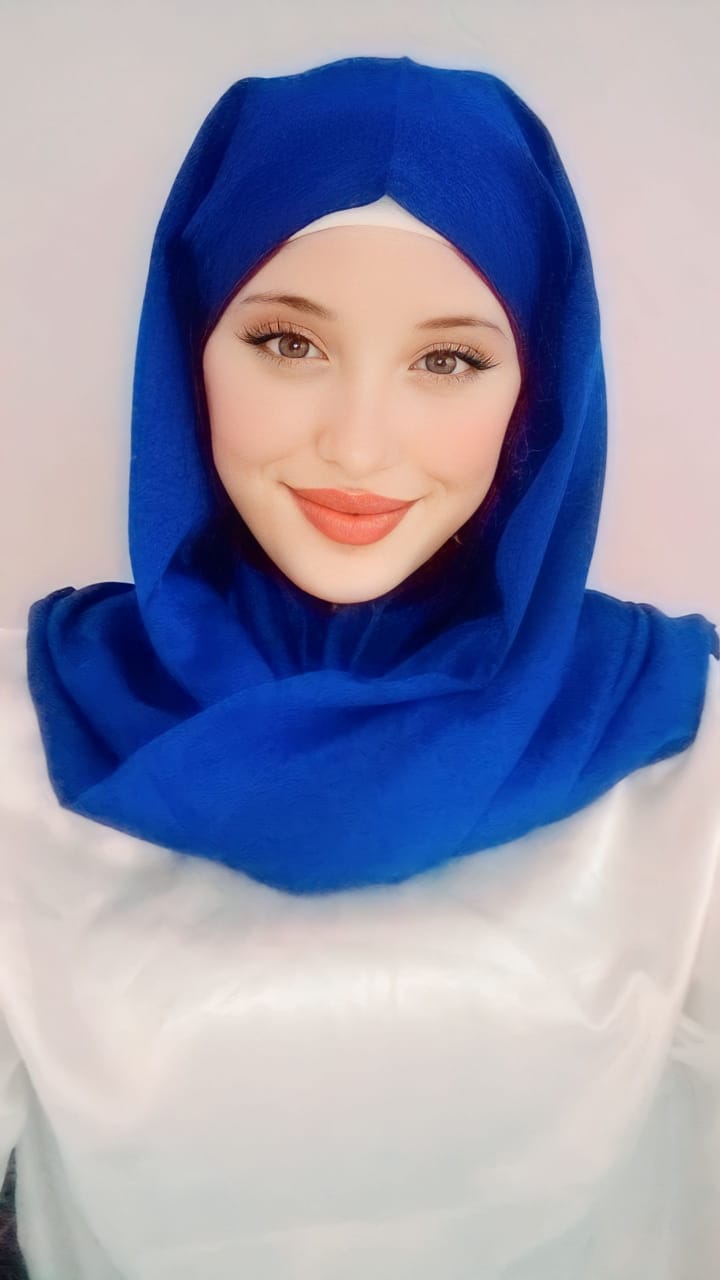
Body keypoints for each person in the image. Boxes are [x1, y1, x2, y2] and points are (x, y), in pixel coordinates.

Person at [0, 53, 718, 1279]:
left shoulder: (684, 746)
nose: (359, 442)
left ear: (539, 394)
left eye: (448, 360)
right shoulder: (26, 730)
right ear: (189, 347)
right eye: (288, 340)